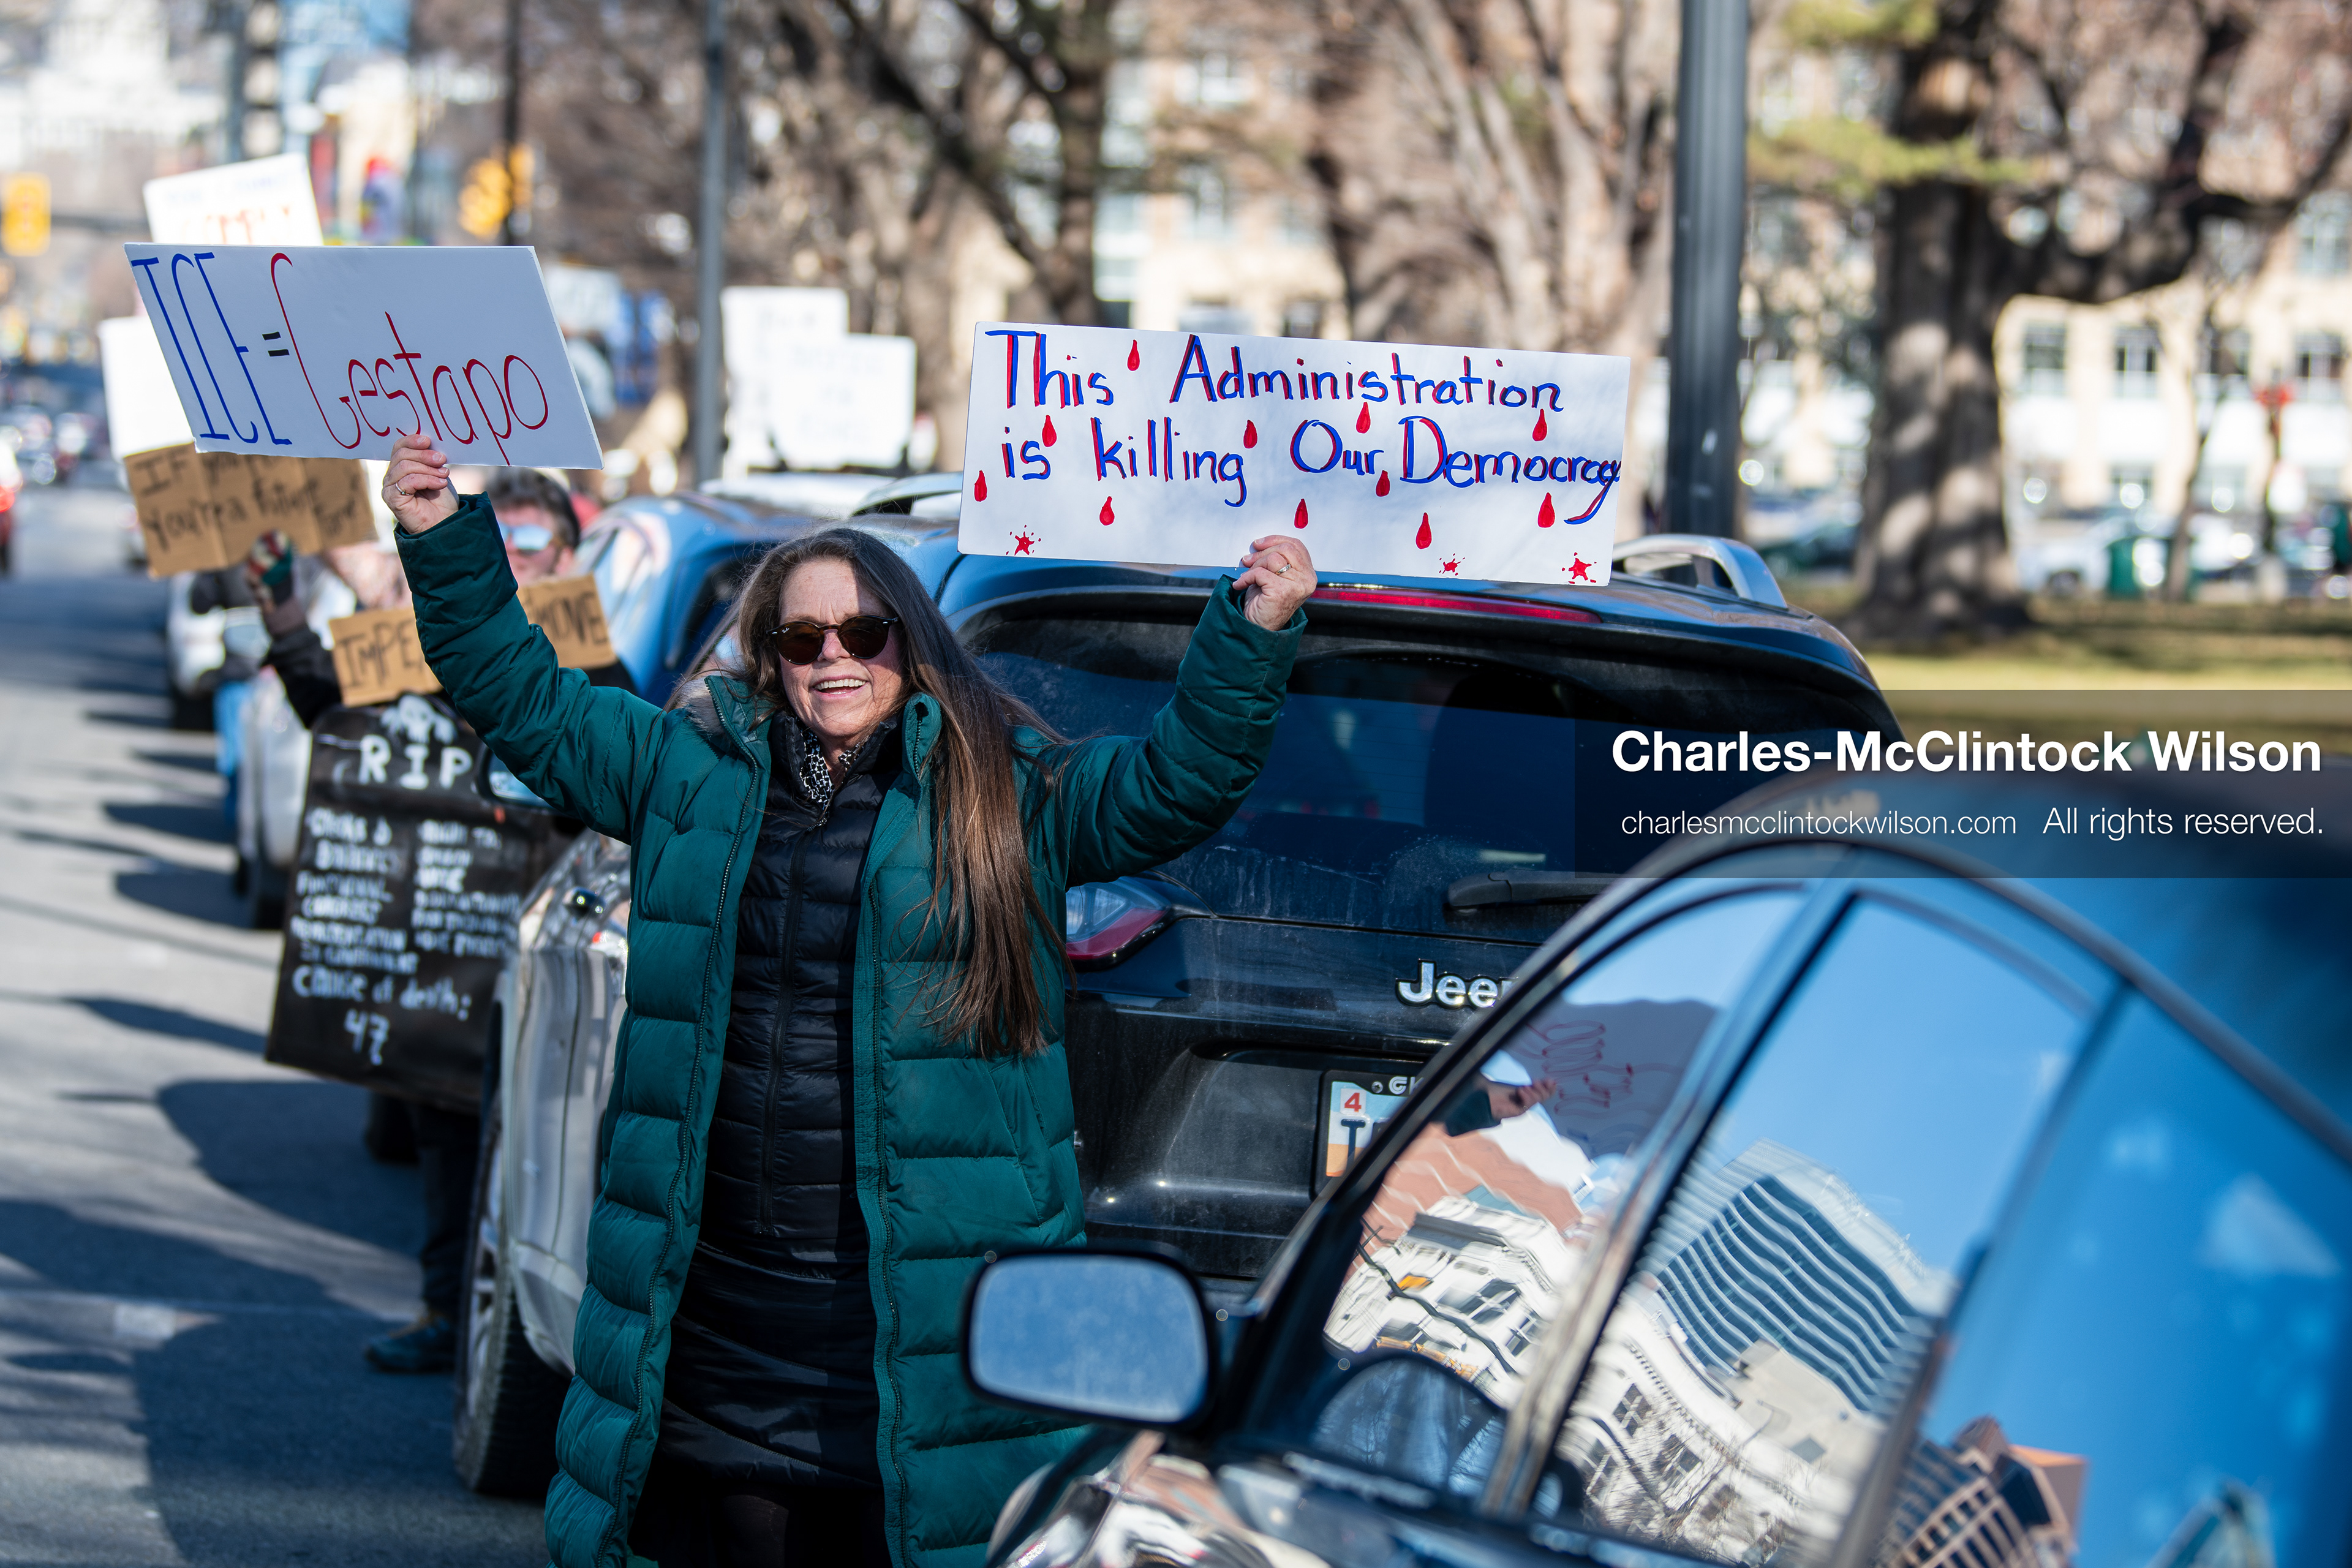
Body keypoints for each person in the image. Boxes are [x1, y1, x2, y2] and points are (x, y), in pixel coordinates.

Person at [379, 428, 1314, 1568]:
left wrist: (1250, 636)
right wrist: (441, 538)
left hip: (913, 1335)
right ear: (769, 655)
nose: (835, 657)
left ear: (909, 649)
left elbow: (1173, 786)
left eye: (863, 633)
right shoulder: (689, 773)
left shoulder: (1003, 793)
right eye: (803, 636)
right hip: (717, 1327)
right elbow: (524, 701)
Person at [243, 467, 636, 1378]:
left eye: (531, 545)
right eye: (502, 543)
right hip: (446, 939)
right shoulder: (428, 643)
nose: (518, 562)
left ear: (569, 559)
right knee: (444, 1131)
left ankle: (504, 1319)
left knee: (527, 1143)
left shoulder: (601, 675)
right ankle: (445, 1307)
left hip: (545, 944)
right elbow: (341, 720)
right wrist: (285, 624)